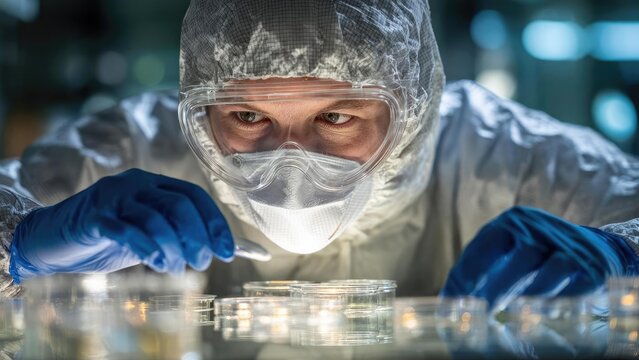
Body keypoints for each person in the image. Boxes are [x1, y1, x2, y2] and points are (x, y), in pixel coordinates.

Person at [0, 0, 637, 306]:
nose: (290, 158)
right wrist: (22, 243)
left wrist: (623, 254)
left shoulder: (516, 158)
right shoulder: (128, 148)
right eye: (248, 116)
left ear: (409, 107)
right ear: (199, 107)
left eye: (336, 116)